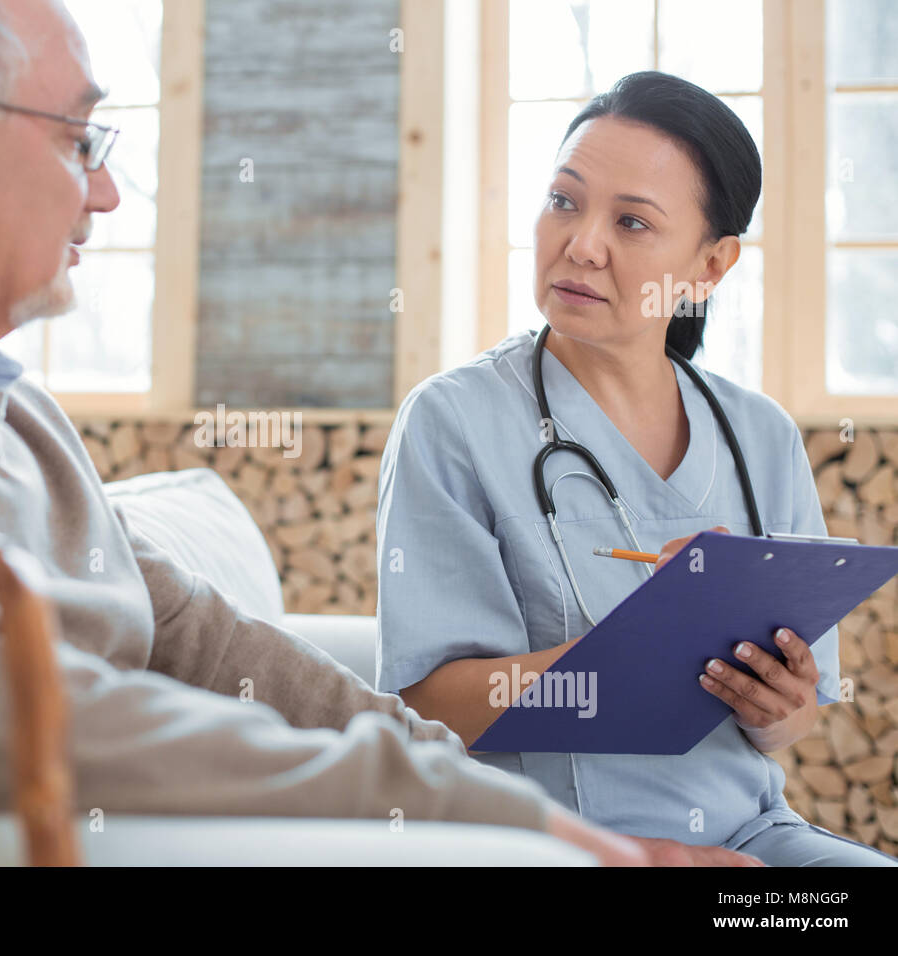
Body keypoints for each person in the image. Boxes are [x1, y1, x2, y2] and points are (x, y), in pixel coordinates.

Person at [0, 3, 754, 866]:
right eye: (79, 141)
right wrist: (489, 813)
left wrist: (471, 784)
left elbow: (193, 634)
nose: (104, 197)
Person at [377, 71, 896, 866]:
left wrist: (776, 706)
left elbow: (794, 723)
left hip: (754, 835)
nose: (582, 243)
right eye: (563, 201)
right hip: (551, 842)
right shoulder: (453, 421)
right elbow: (428, 702)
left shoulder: (760, 435)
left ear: (711, 266)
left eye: (631, 221)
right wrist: (628, 655)